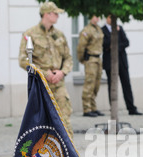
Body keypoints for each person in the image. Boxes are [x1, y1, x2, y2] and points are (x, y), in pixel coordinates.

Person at [18, 2, 74, 138]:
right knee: (41, 124)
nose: (58, 17)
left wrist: (62, 72)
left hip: (59, 85)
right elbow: (23, 60)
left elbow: (68, 58)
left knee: (65, 122)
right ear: (46, 14)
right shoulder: (30, 34)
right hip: (41, 86)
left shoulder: (59, 34)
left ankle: (69, 156)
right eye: (55, 14)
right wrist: (44, 74)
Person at [102, 15, 143, 116]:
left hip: (122, 62)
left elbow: (126, 42)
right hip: (110, 63)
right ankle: (113, 108)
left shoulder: (120, 28)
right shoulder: (102, 30)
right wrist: (113, 38)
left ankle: (131, 108)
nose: (111, 19)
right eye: (109, 17)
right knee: (111, 86)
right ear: (106, 18)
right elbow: (104, 44)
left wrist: (115, 46)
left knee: (126, 85)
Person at [77, 16, 105, 117]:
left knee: (96, 84)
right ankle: (86, 108)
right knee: (89, 83)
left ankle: (93, 107)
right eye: (95, 16)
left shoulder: (98, 29)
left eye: (98, 17)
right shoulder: (86, 30)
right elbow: (81, 47)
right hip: (91, 59)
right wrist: (82, 59)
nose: (97, 19)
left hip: (98, 58)